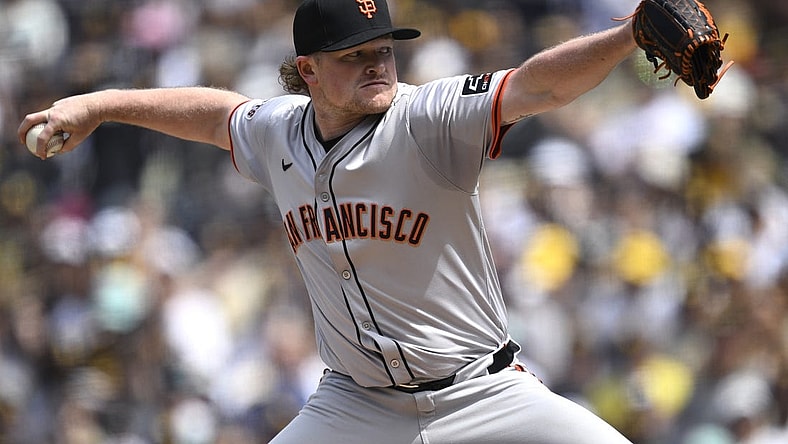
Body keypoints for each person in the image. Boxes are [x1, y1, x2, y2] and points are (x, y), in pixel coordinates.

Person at [19, 0, 640, 442]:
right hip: (355, 405)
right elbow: (214, 116)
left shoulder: (429, 119)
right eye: (354, 55)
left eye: (384, 50)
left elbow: (538, 88)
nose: (378, 64)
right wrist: (97, 105)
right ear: (308, 70)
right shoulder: (279, 132)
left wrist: (629, 36)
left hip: (483, 393)